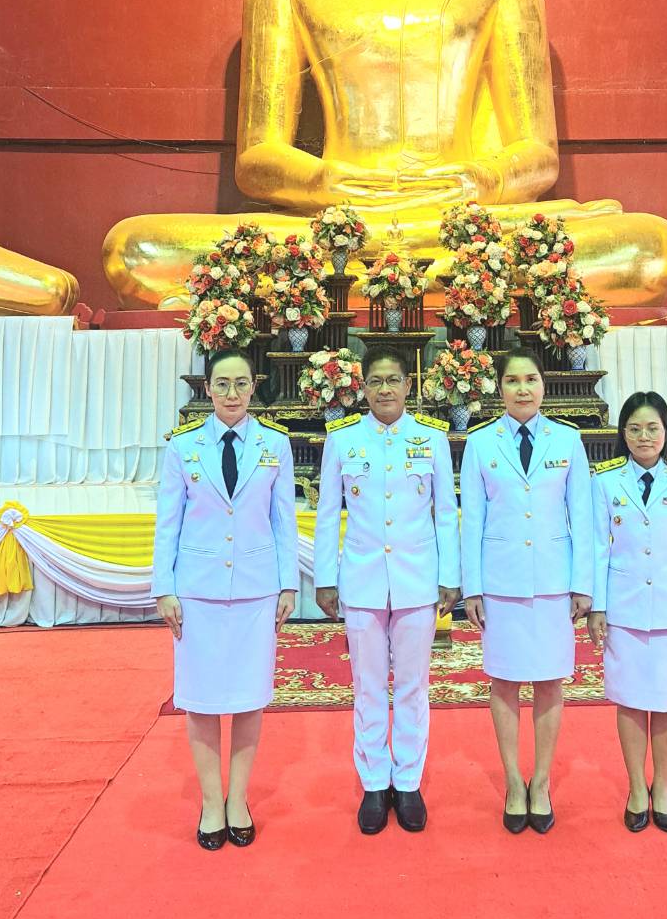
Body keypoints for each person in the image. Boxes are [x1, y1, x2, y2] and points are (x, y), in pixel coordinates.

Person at [153, 348, 299, 850]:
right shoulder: (183, 448)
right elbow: (167, 523)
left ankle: (238, 798)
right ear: (208, 389)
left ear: (254, 387)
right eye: (222, 384)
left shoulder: (275, 445)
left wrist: (287, 583)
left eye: (240, 383)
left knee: (248, 698)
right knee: (201, 699)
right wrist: (164, 588)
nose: (232, 393)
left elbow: (283, 521)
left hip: (256, 591)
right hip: (198, 592)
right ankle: (211, 801)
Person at [314, 345, 460, 835]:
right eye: (375, 381)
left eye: (392, 380)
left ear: (407, 385)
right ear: (363, 388)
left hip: (417, 580)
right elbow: (327, 513)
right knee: (369, 685)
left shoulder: (431, 438)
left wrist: (450, 575)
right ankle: (375, 782)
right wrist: (326, 578)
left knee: (414, 686)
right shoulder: (343, 439)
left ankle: (409, 780)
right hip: (362, 581)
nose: (384, 389)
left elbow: (446, 512)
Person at [460, 348, 593, 834]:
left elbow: (583, 515)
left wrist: (583, 584)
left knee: (550, 681)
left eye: (531, 379)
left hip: (554, 581)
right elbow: (471, 519)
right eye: (513, 380)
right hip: (501, 581)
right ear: (499, 389)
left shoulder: (568, 439)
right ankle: (514, 781)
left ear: (543, 385)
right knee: (504, 680)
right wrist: (472, 588)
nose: (522, 389)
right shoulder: (480, 443)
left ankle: (542, 781)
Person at [587, 391, 667, 834]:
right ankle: (636, 788)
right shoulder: (604, 481)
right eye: (635, 429)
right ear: (623, 434)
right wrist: (598, 607)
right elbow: (597, 549)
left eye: (652, 428)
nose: (644, 437)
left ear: (666, 432)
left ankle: (662, 787)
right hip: (623, 609)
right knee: (629, 699)